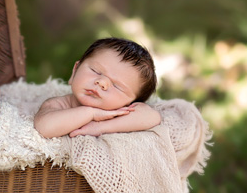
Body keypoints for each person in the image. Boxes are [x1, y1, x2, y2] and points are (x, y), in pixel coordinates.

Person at [34, 37, 162, 138]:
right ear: (75, 71)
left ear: (131, 103)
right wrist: (91, 114)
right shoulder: (59, 104)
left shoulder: (121, 112)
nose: (101, 82)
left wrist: (100, 127)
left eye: (117, 86)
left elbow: (152, 117)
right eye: (96, 71)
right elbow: (43, 127)